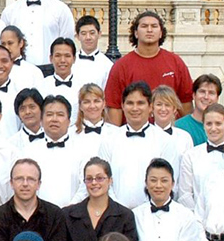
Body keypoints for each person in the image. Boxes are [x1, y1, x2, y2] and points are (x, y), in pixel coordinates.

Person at [98, 81, 180, 209]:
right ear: (122, 106)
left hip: (152, 215)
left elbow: (169, 181)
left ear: (150, 107)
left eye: (140, 103)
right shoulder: (109, 140)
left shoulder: (165, 141)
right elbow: (103, 178)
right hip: (116, 214)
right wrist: (118, 210)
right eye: (130, 103)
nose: (135, 108)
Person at [103, 11, 193, 125]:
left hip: (170, 133)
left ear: (161, 33)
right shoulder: (121, 66)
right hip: (134, 135)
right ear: (136, 33)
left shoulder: (176, 62)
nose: (149, 30)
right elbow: (114, 107)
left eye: (154, 26)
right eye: (144, 26)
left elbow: (186, 102)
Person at [0, 0, 74, 65]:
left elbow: (68, 43)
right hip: (19, 69)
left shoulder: (60, 9)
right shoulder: (9, 12)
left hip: (51, 69)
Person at [20, 94, 84, 207]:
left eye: (60, 115)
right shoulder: (28, 151)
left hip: (73, 216)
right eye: (49, 114)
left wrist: (72, 207)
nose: (54, 119)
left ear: (69, 121)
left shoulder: (82, 150)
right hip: (38, 216)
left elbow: (85, 185)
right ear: (41, 120)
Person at [176, 103, 224, 209]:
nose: (213, 128)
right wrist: (199, 218)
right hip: (197, 220)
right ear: (203, 125)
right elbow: (184, 195)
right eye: (209, 124)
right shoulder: (191, 156)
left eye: (218, 123)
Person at [175, 74, 224, 145]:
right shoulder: (179, 126)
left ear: (217, 98)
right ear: (194, 95)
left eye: (211, 93)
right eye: (202, 92)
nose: (206, 97)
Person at [72, 83, 117, 165]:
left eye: (97, 101)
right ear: (80, 106)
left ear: (104, 104)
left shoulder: (116, 133)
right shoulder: (70, 133)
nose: (92, 106)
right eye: (87, 102)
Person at [152, 85, 196, 161]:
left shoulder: (185, 137)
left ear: (174, 109)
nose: (163, 109)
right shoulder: (144, 136)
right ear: (152, 108)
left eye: (167, 105)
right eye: (159, 104)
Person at [72, 15, 114, 90]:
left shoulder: (108, 65)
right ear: (77, 36)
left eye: (92, 33)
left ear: (99, 34)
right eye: (83, 33)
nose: (88, 37)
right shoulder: (70, 62)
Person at [39, 37, 81, 106]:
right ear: (51, 58)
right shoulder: (41, 86)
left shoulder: (83, 87)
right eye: (58, 56)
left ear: (74, 59)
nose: (62, 60)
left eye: (67, 56)